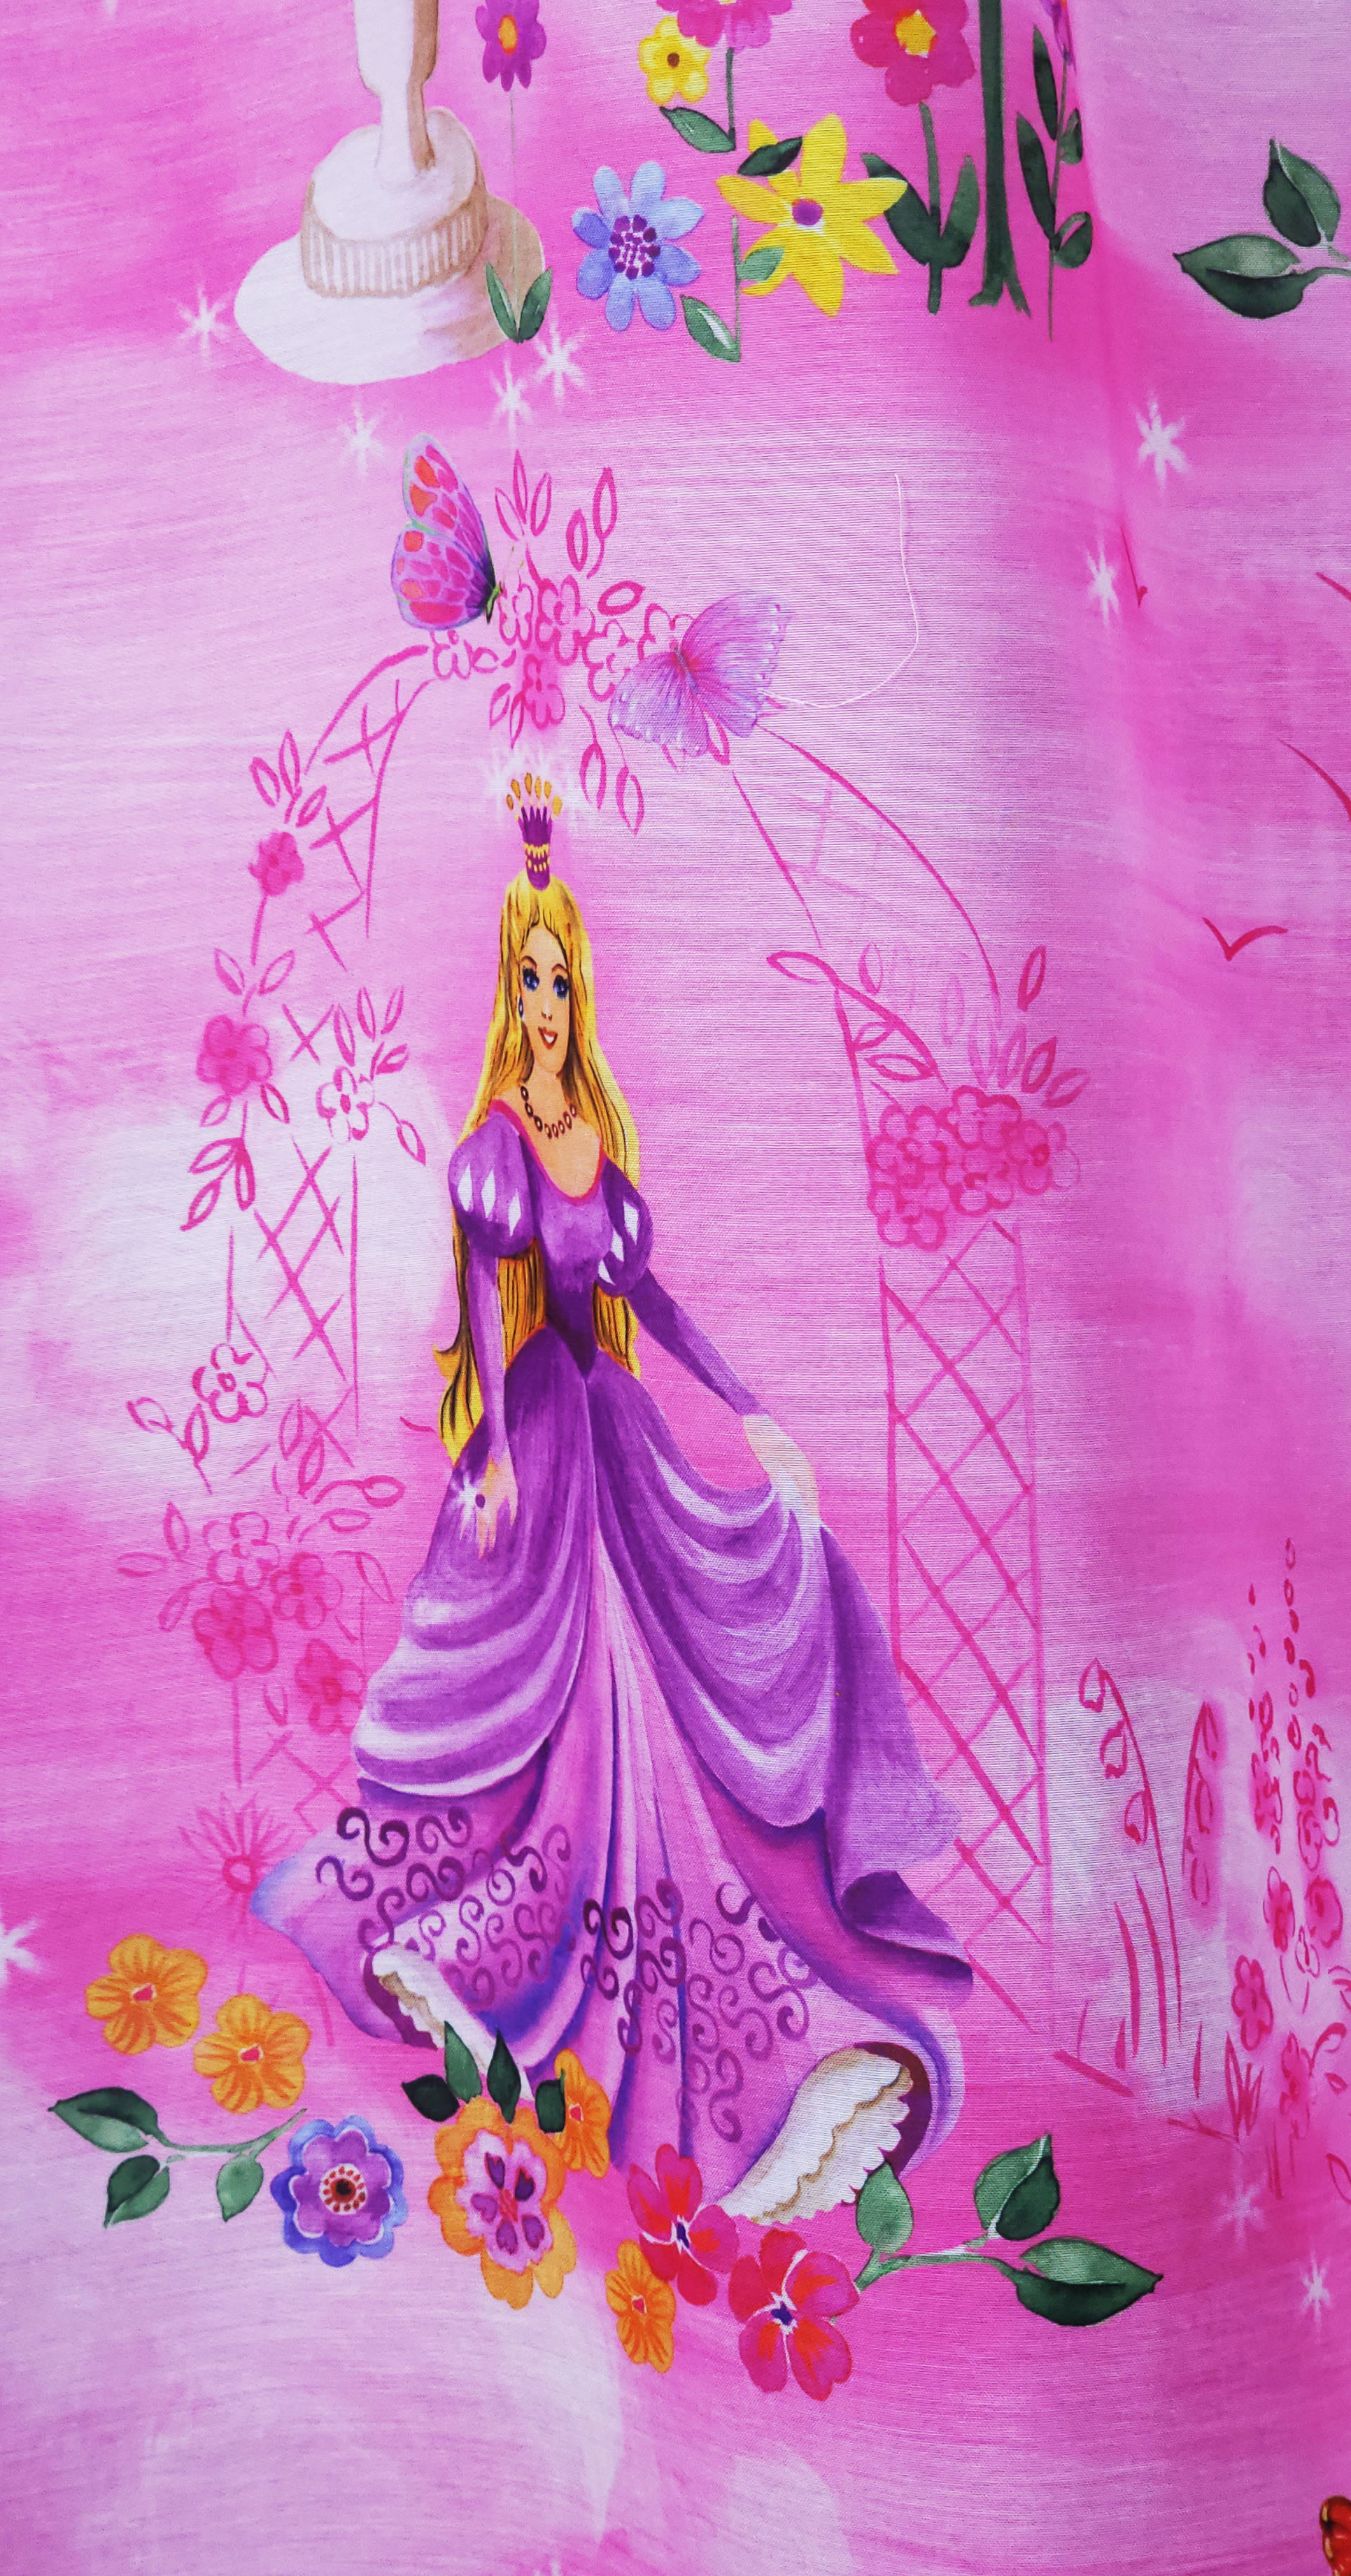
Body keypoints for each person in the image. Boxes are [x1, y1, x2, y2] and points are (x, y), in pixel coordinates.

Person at [254, 781, 971, 2221]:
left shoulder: (598, 1132)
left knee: (700, 1651)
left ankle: (734, 2000)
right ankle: (497, 1965)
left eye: (559, 979)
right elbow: (480, 1298)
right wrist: (486, 1450)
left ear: (578, 990)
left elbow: (655, 1299)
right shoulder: (499, 1142)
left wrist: (754, 1413)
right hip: (541, 1433)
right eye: (526, 978)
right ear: (506, 990)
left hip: (618, 1426)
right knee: (579, 1713)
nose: (542, 1001)